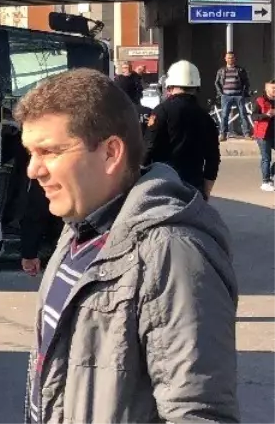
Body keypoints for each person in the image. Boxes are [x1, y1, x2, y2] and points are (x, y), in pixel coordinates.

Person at [15, 68, 238, 424]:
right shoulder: (78, 232)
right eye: (31, 152)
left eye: (49, 151)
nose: (33, 169)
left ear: (110, 153)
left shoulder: (171, 251)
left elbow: (197, 412)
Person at [144, 60, 221, 199]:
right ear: (196, 88)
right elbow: (213, 158)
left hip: (163, 183)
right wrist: (205, 192)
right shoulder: (206, 117)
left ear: (169, 87)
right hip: (193, 186)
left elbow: (149, 148)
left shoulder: (161, 111)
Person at [215, 51, 252, 140]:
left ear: (234, 59)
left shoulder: (240, 70)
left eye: (232, 58)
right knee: (224, 115)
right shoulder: (221, 70)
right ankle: (223, 134)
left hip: (238, 95)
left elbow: (246, 82)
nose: (230, 59)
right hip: (226, 96)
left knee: (243, 114)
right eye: (228, 58)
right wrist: (221, 94)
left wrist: (243, 93)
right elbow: (217, 83)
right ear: (225, 59)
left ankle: (246, 134)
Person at [252, 80, 275, 192]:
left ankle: (270, 175)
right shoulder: (260, 100)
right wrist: (266, 115)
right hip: (263, 134)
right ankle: (265, 181)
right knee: (266, 158)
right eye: (272, 88)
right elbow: (254, 116)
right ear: (267, 89)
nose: (274, 90)